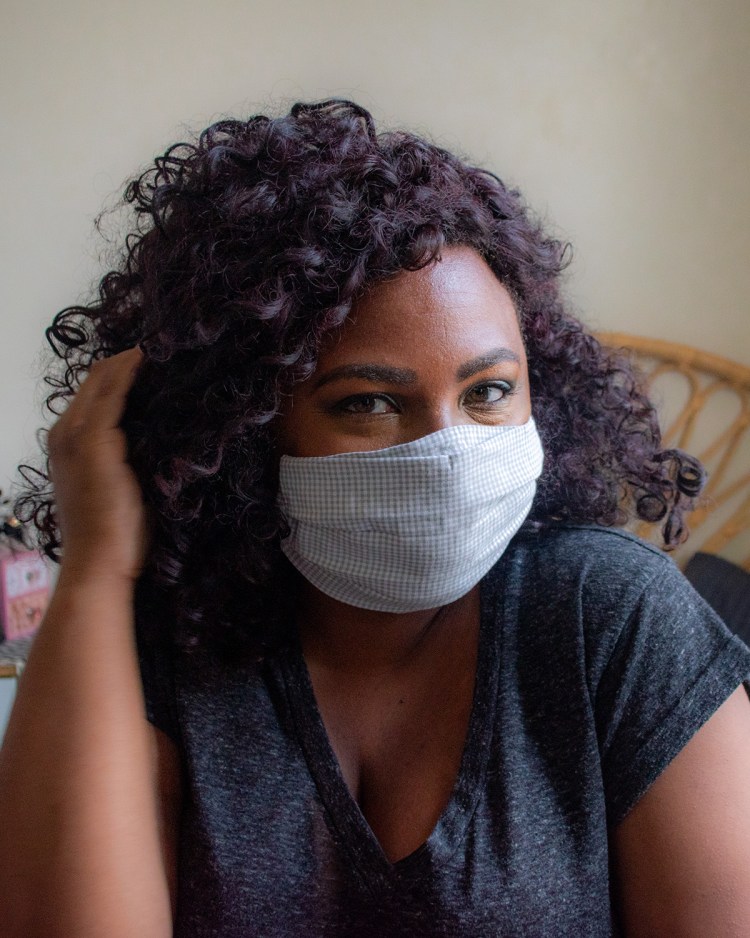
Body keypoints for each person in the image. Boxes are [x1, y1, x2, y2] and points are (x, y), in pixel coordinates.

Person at [1, 99, 749, 937]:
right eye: (367, 403)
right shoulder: (167, 645)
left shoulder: (612, 619)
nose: (449, 453)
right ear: (243, 429)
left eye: (489, 392)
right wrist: (96, 567)